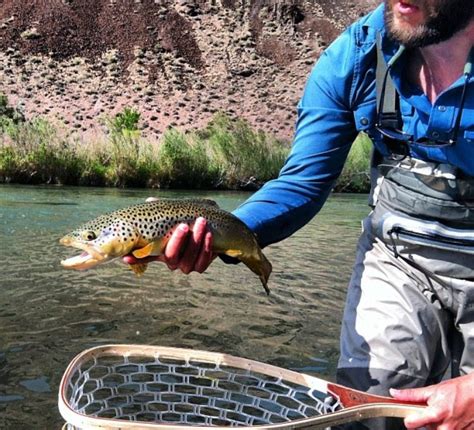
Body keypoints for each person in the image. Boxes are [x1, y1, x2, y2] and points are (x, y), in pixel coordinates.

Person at [125, 0, 474, 428]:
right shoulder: (359, 55)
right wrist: (217, 234)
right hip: (400, 258)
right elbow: (301, 183)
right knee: (369, 405)